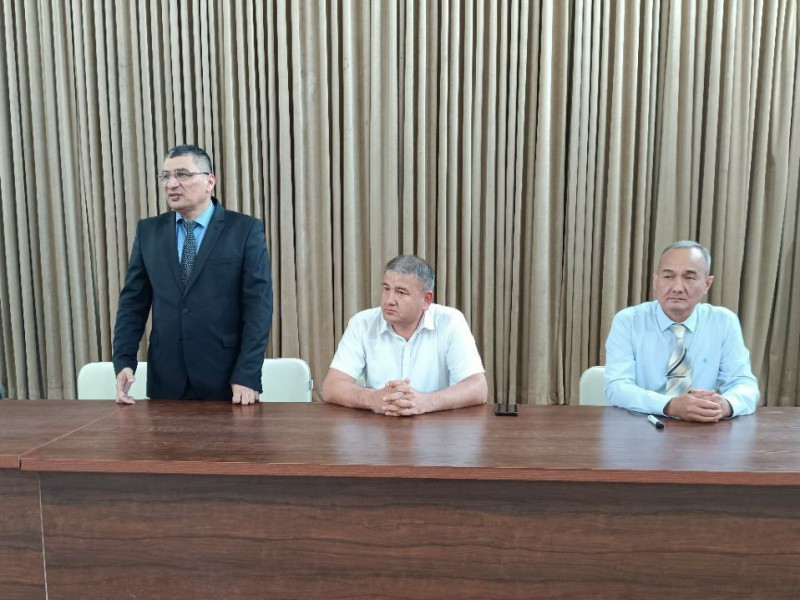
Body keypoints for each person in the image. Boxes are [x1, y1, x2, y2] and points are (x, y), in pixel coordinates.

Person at [112, 144, 272, 404]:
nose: (171, 184)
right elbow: (133, 304)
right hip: (166, 380)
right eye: (166, 176)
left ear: (210, 181)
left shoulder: (244, 230)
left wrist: (247, 373)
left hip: (227, 380)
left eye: (182, 174)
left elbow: (259, 308)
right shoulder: (148, 232)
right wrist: (124, 361)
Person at [604, 240, 759, 422]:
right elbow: (617, 386)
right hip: (643, 425)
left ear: (707, 284)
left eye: (689, 278)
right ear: (656, 281)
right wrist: (670, 405)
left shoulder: (724, 322)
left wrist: (725, 405)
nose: (677, 288)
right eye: (668, 277)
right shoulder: (628, 321)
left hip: (704, 428)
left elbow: (744, 384)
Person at [321, 254, 488, 416]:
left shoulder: (450, 322)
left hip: (435, 427)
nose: (389, 300)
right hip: (378, 426)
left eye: (401, 292)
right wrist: (373, 398)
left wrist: (425, 402)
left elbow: (478, 388)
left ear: (426, 300)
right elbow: (331, 386)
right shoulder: (362, 323)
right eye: (386, 289)